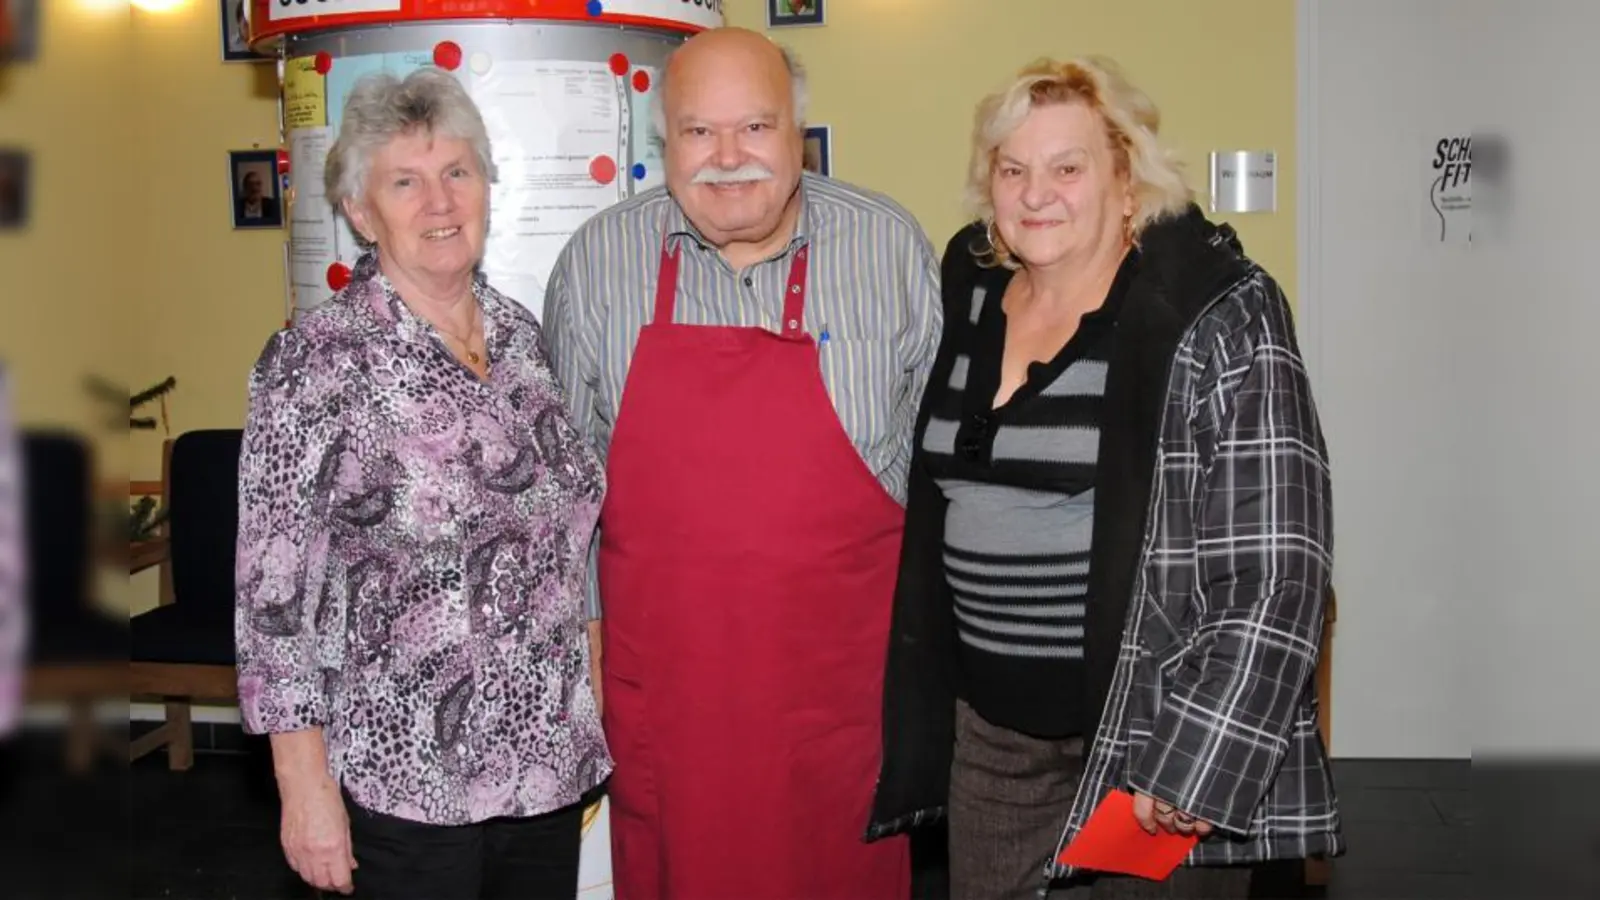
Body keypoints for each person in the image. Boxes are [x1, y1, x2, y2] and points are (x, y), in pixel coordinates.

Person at [866, 56, 1342, 899]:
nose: (1035, 192)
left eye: (1067, 167)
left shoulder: (1215, 311)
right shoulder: (971, 291)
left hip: (1145, 747)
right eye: (1012, 169)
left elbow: (1279, 568)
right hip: (992, 745)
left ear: (1128, 182)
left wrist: (1195, 758)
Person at [543, 27, 942, 900]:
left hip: (841, 700)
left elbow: (937, 478)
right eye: (697, 133)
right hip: (670, 704)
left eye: (755, 128)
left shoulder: (891, 252)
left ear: (799, 130)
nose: (727, 158)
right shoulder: (595, 268)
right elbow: (564, 503)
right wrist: (586, 658)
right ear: (666, 142)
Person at [234, 67, 609, 900]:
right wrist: (303, 789)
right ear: (362, 213)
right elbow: (272, 600)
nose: (439, 202)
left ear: (484, 186)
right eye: (405, 182)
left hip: (544, 763)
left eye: (456, 173)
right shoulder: (315, 361)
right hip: (408, 781)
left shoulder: (519, 336)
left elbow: (559, 532)